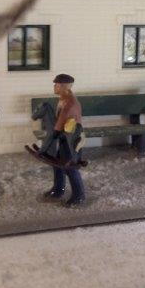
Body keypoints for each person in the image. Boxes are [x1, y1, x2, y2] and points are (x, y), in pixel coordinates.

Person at [41, 73, 87, 207]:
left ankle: (79, 196)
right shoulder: (63, 99)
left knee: (69, 166)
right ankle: (58, 189)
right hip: (64, 136)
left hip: (71, 138)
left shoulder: (70, 102)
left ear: (63, 87)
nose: (54, 87)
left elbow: (62, 119)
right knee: (57, 163)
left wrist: (55, 132)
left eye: (56, 85)